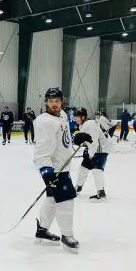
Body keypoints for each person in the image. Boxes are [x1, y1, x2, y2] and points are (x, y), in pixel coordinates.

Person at [33, 88, 91, 251]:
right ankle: (67, 235)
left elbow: (63, 137)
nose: (54, 104)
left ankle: (42, 230)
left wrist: (76, 138)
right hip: (54, 169)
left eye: (57, 101)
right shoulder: (44, 122)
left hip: (63, 165)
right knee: (66, 200)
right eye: (51, 101)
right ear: (46, 102)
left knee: (52, 199)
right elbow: (42, 148)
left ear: (62, 102)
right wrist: (46, 171)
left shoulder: (63, 115)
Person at [73, 108, 111, 200]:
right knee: (84, 168)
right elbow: (88, 141)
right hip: (94, 149)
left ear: (82, 117)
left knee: (96, 170)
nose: (75, 119)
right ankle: (77, 187)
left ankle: (101, 192)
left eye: (76, 117)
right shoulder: (84, 125)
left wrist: (90, 155)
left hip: (102, 148)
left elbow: (94, 142)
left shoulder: (89, 124)